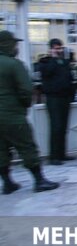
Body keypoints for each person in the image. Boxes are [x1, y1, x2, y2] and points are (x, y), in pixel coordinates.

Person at [0, 30, 59, 194]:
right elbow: (26, 90)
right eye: (14, 44)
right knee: (26, 146)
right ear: (7, 45)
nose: (16, 47)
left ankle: (7, 183)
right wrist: (24, 105)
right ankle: (39, 180)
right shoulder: (14, 64)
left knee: (1, 149)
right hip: (12, 115)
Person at [38, 38, 75, 165]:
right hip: (53, 98)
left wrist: (71, 94)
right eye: (56, 48)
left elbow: (69, 78)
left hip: (65, 97)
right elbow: (47, 73)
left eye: (60, 48)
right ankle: (54, 156)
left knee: (64, 127)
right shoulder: (45, 62)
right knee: (56, 127)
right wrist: (53, 57)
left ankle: (62, 154)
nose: (58, 50)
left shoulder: (64, 62)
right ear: (51, 49)